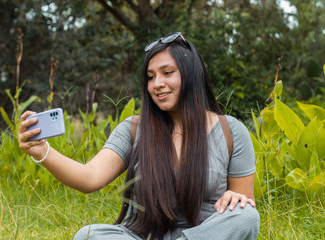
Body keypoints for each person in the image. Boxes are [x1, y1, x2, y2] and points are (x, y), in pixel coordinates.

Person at [18, 32, 260, 240]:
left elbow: (241, 207)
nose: (157, 84)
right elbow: (89, 178)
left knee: (247, 215)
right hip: (143, 235)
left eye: (167, 73)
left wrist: (234, 197)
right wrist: (43, 152)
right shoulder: (134, 129)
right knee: (88, 235)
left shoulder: (231, 131)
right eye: (151, 77)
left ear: (190, 74)